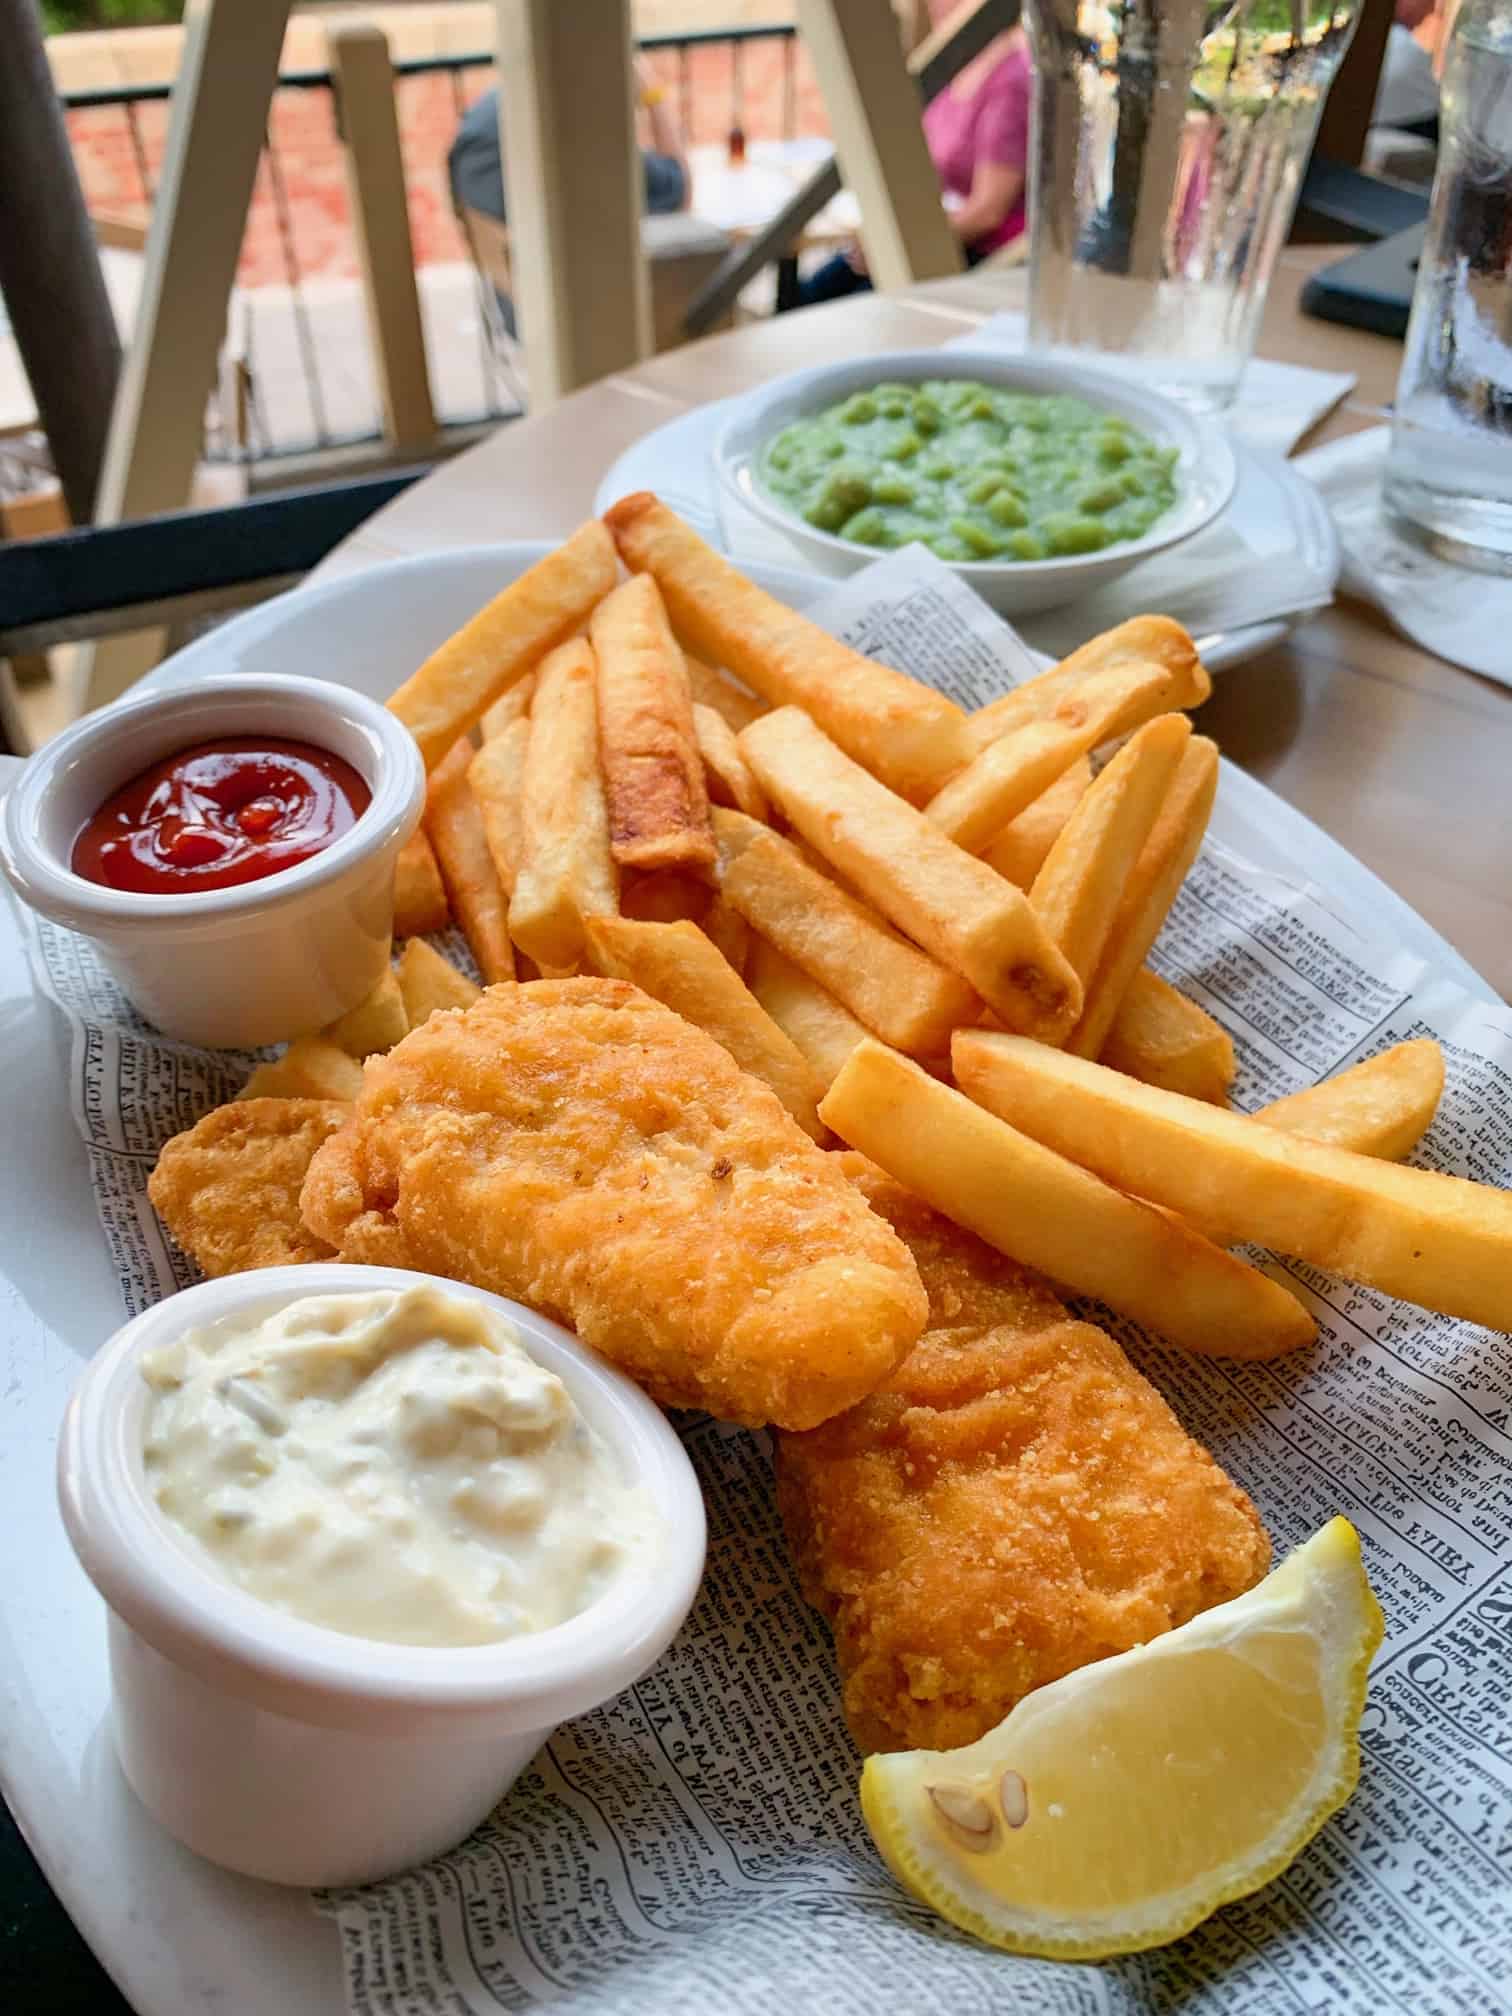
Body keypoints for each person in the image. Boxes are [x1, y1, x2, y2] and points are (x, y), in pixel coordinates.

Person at [799, 3, 1031, 305]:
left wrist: (892, 243)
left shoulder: (1010, 81)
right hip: (938, 229)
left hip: (984, 253)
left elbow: (987, 213)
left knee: (853, 304)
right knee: (818, 287)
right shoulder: (950, 64)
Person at [449, 59, 690, 333]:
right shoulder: (577, 121)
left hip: (515, 310)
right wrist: (652, 93)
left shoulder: (485, 116)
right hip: (586, 324)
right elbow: (678, 191)